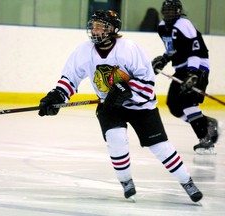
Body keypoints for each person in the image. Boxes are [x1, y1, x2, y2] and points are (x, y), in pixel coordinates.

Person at [38, 9, 203, 203]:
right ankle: (126, 181)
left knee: (160, 147)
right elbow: (70, 78)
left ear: (113, 29)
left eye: (100, 26)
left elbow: (148, 84)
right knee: (116, 139)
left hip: (141, 106)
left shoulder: (129, 49)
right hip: (109, 105)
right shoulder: (84, 51)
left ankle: (187, 181)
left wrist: (126, 90)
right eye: (93, 26)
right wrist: (57, 96)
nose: (95, 30)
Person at [152, 0, 219, 155]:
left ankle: (205, 140)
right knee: (174, 106)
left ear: (179, 11)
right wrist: (163, 60)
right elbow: (171, 50)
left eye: (172, 10)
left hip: (198, 67)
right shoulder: (162, 27)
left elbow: (195, 51)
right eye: (166, 11)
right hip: (181, 69)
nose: (169, 13)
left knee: (188, 102)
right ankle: (207, 123)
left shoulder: (184, 24)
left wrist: (193, 73)